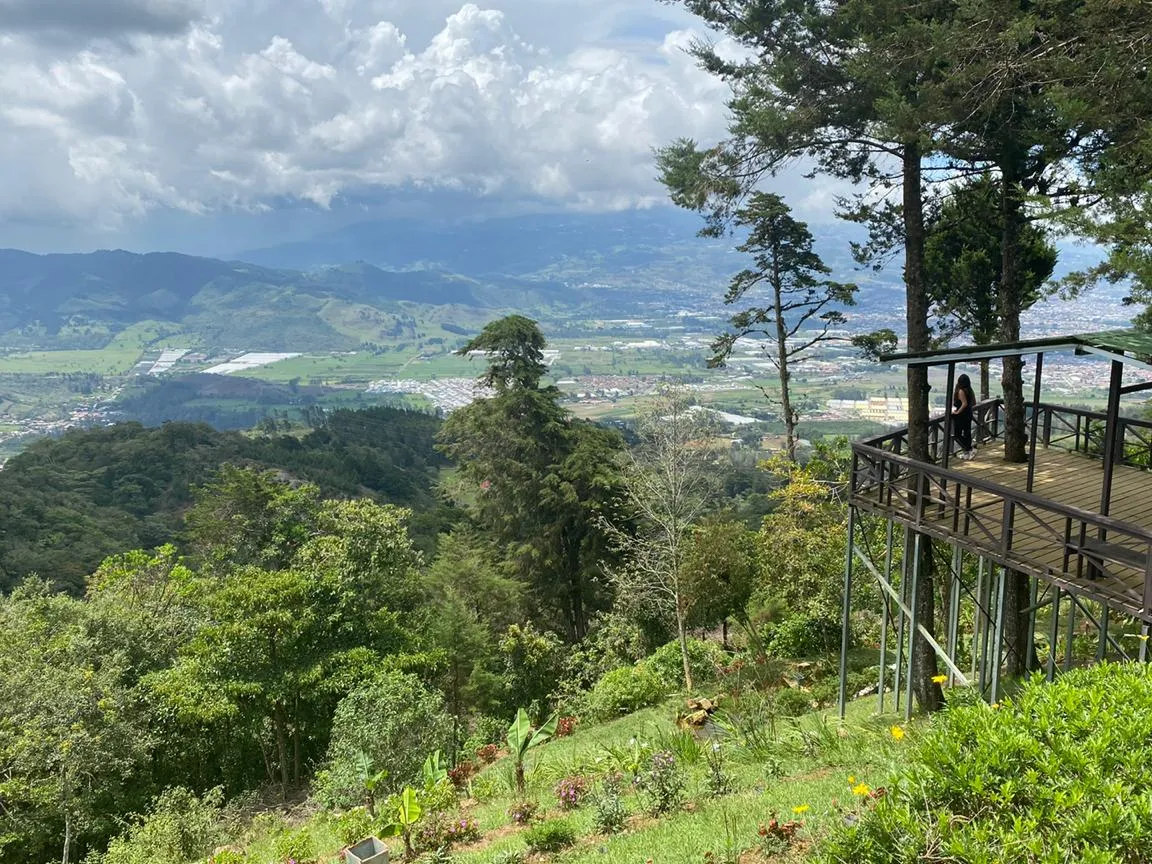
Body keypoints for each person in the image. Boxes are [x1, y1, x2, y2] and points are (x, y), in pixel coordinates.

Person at [952, 373, 976, 460]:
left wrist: (957, 412)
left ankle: (969, 449)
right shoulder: (969, 390)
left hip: (962, 415)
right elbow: (973, 403)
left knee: (957, 434)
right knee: (967, 433)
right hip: (968, 414)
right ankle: (967, 452)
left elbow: (964, 404)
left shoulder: (961, 391)